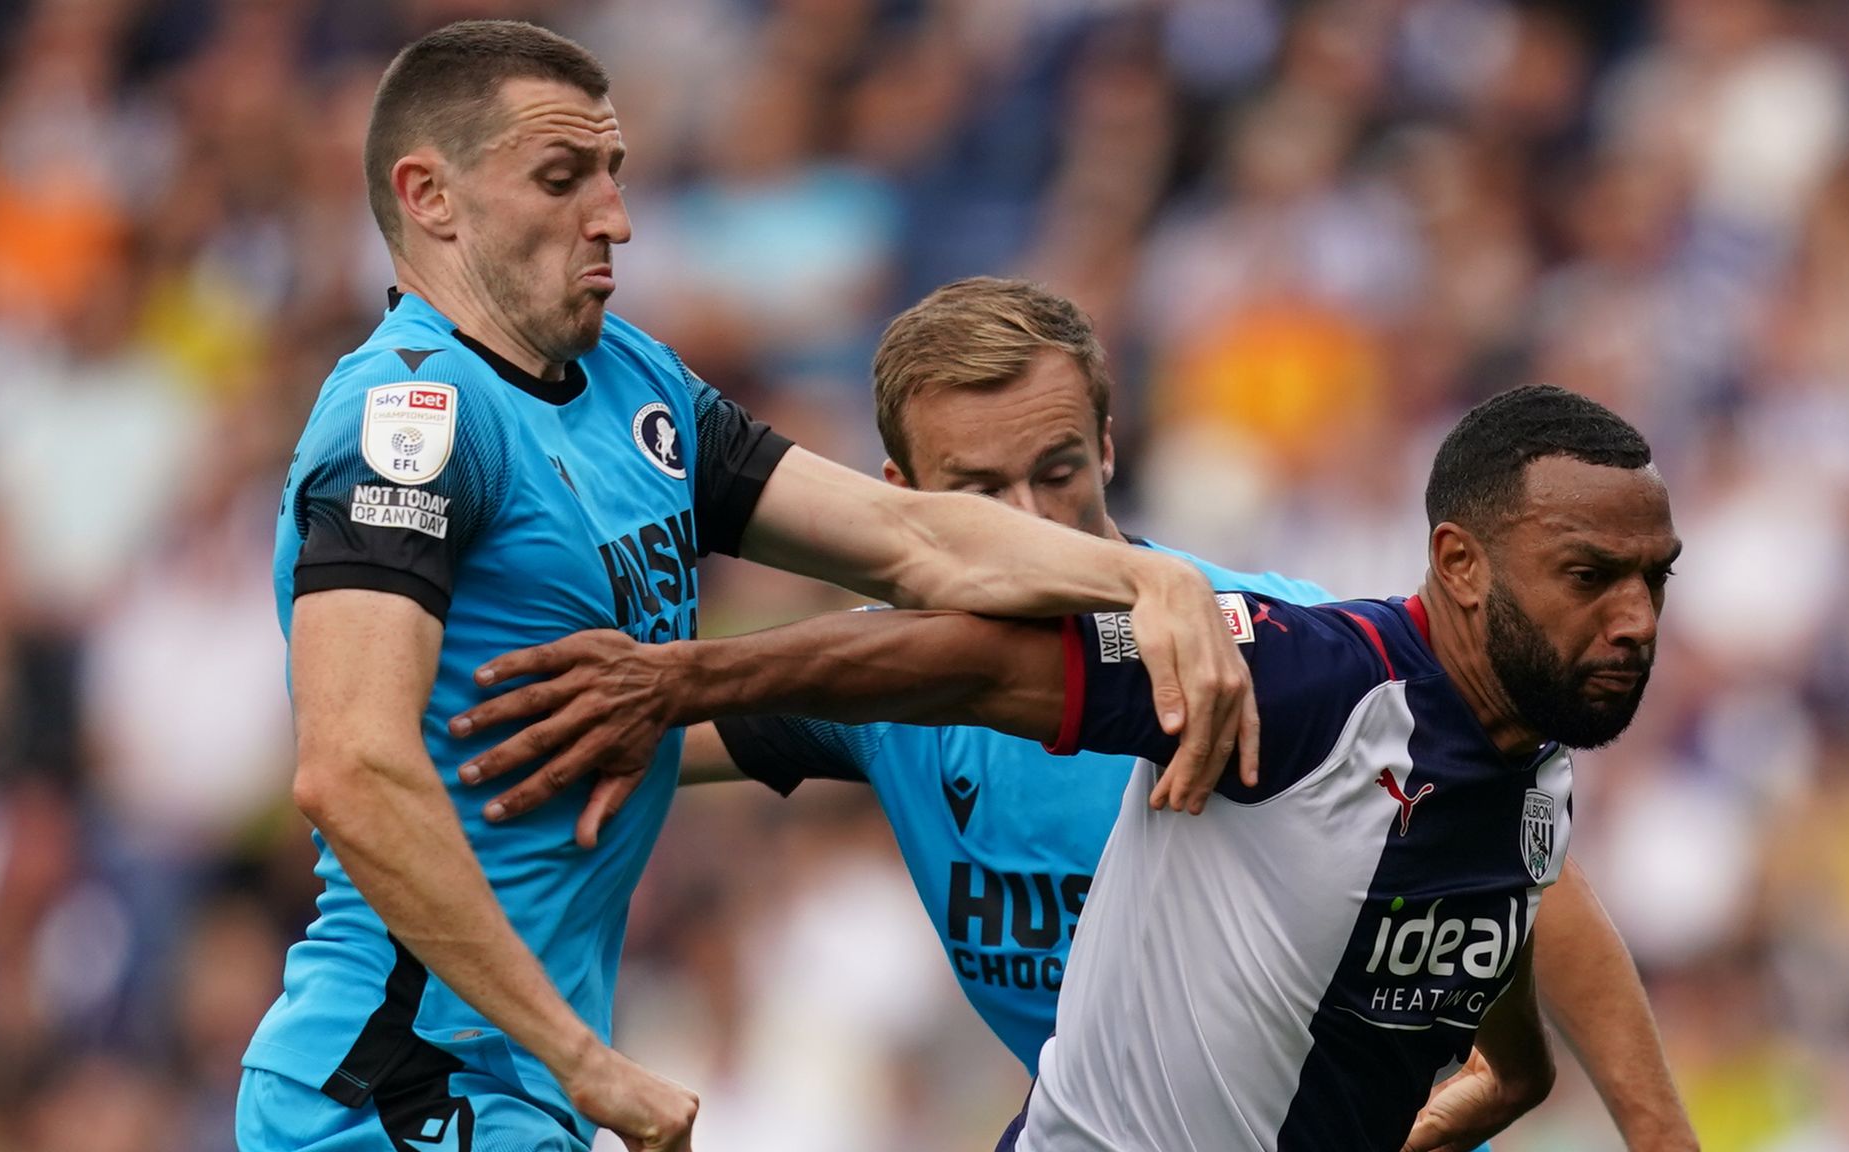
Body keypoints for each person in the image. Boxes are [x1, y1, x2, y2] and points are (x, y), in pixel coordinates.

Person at [239, 25, 1260, 1152]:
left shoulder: (636, 384)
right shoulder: (410, 421)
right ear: (429, 197)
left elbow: (912, 541)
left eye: (614, 174)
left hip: (508, 1086)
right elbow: (351, 767)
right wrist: (587, 1064)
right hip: (395, 1083)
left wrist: (1147, 580)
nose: (615, 218)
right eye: (562, 179)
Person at [452, 283, 1697, 1149]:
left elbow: (1513, 845)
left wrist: (1633, 1121)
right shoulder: (878, 685)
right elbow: (615, 738)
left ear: (1107, 443)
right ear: (898, 498)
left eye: (1057, 472)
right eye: (976, 492)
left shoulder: (1258, 651)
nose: (1032, 526)